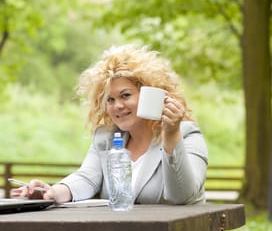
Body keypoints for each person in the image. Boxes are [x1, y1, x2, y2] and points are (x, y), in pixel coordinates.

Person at [11, 43, 208, 206]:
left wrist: (171, 134)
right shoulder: (107, 137)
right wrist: (52, 192)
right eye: (110, 100)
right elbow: (88, 178)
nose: (117, 106)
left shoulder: (188, 134)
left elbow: (183, 196)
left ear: (152, 94)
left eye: (125, 95)